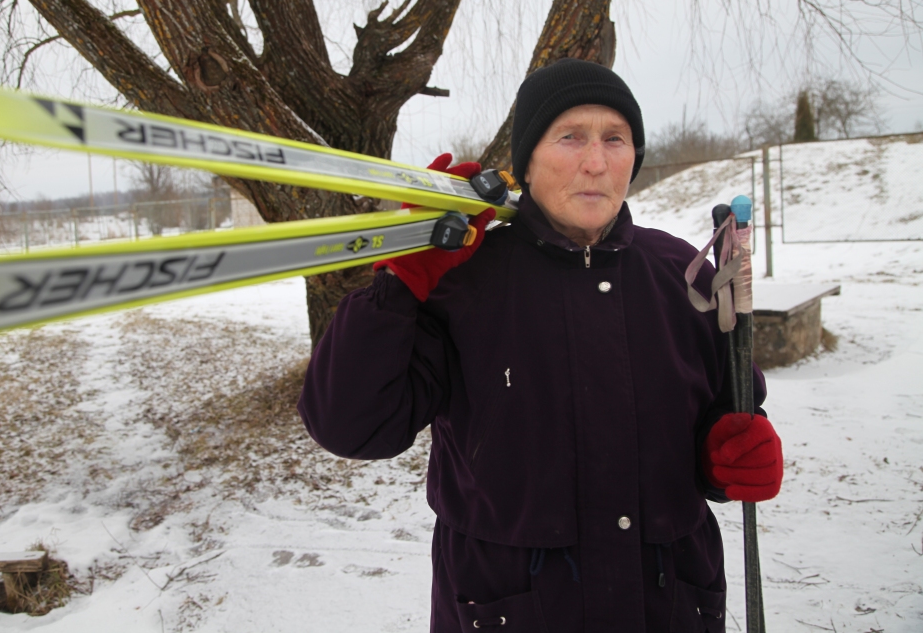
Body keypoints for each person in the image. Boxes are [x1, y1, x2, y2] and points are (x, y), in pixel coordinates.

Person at [297, 59, 783, 632]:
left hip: (670, 604)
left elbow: (731, 413)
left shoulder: (683, 274)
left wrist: (727, 456)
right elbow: (349, 424)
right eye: (570, 137)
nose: (596, 162)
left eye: (615, 139)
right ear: (527, 160)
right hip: (507, 607)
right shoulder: (464, 282)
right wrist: (401, 285)